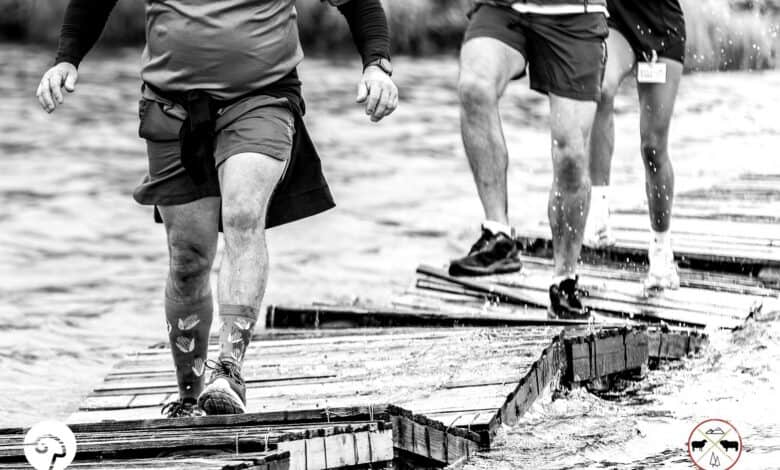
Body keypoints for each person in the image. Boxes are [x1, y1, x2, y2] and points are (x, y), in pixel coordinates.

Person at [36, 0, 398, 417]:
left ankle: (228, 369)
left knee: (243, 215)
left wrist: (376, 64)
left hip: (261, 97)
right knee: (188, 257)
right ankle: (190, 397)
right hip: (172, 108)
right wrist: (67, 60)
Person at [448, 0, 608, 319]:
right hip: (504, 7)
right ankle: (498, 236)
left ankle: (565, 279)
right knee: (474, 87)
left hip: (575, 14)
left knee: (571, 153)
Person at [585, 0, 685, 290]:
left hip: (663, 31)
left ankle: (661, 249)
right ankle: (599, 214)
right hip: (618, 25)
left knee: (652, 148)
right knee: (601, 88)